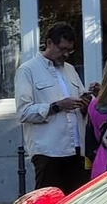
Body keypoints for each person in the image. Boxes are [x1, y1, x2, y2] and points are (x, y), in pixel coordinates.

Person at [15, 22, 89, 195]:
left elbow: (80, 98)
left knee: (75, 202)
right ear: (49, 43)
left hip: (76, 148)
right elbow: (23, 112)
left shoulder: (70, 69)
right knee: (48, 202)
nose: (66, 55)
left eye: (70, 51)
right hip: (48, 150)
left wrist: (86, 102)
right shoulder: (28, 70)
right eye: (62, 49)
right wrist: (56, 106)